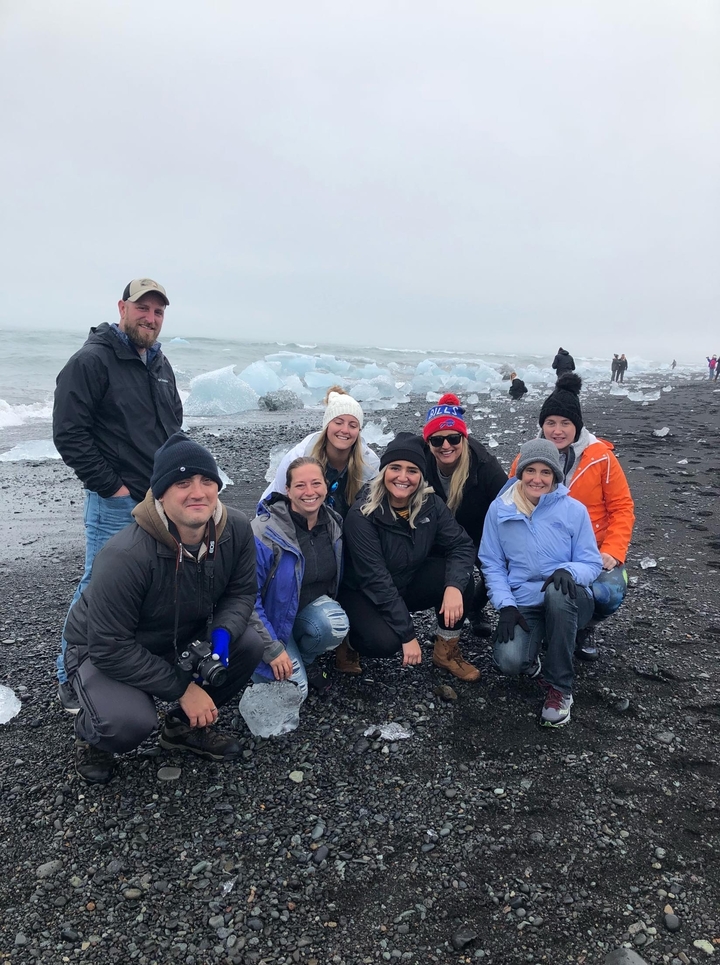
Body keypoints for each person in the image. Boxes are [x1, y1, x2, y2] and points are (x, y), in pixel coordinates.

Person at [64, 434, 264, 785]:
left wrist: (221, 637)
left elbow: (240, 592)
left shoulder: (236, 529)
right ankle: (91, 734)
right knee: (129, 724)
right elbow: (109, 646)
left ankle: (181, 729)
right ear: (160, 493)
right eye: (182, 483)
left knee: (246, 644)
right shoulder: (126, 555)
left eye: (207, 481)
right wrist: (183, 689)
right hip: (104, 650)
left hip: (176, 636)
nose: (197, 493)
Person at [53, 278, 183, 712]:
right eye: (142, 308)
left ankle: (125, 663)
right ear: (122, 308)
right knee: (97, 583)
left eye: (158, 312)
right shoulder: (92, 361)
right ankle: (70, 675)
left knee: (148, 581)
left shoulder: (159, 364)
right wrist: (112, 486)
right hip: (118, 501)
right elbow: (69, 433)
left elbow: (172, 426)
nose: (150, 318)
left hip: (160, 500)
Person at [509, 373, 635, 660]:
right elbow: (510, 504)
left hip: (590, 550)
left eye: (565, 423)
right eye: (550, 422)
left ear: (577, 426)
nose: (557, 430)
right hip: (541, 551)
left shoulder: (601, 457)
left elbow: (622, 507)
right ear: (542, 425)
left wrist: (612, 551)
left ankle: (585, 626)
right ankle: (541, 625)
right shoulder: (527, 456)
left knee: (608, 593)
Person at [479, 439, 603, 728]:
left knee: (558, 593)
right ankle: (534, 652)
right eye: (530, 470)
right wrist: (505, 605)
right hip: (525, 601)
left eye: (545, 472)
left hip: (570, 598)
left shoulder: (573, 510)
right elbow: (492, 563)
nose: (537, 478)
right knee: (508, 662)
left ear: (555, 476)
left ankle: (560, 687)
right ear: (520, 473)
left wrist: (569, 571)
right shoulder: (500, 510)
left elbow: (592, 562)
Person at [337, 433, 479, 681]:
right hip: (363, 593)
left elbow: (461, 545)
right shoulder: (362, 515)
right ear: (383, 472)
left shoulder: (430, 503)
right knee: (384, 643)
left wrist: (454, 586)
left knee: (461, 579)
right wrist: (408, 635)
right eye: (395, 468)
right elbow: (376, 580)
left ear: (421, 476)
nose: (403, 477)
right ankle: (347, 640)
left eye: (412, 470)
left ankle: (445, 650)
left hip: (405, 580)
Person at [251, 457, 348, 698]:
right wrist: (272, 649)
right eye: (300, 486)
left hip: (301, 614)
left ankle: (304, 659)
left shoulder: (333, 524)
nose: (310, 492)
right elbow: (245, 599)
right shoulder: (264, 532)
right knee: (295, 694)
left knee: (336, 623)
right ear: (287, 490)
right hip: (266, 626)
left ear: (326, 486)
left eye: (316, 483)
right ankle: (257, 662)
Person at [421, 394, 507, 637]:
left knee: (496, 572)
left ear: (463, 438)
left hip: (479, 531)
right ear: (428, 442)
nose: (446, 445)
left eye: (453, 438)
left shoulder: (485, 465)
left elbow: (507, 503)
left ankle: (476, 608)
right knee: (441, 572)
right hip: (438, 532)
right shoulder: (420, 460)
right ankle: (445, 621)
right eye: (437, 440)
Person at [262, 386, 379, 519]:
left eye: (353, 425)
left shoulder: (369, 464)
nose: (345, 430)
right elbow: (276, 499)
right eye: (338, 423)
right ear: (327, 425)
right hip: (293, 521)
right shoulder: (299, 457)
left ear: (358, 431)